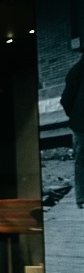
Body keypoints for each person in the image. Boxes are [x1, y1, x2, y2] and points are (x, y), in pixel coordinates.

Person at [59, 52, 84, 209]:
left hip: (80, 124)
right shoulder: (76, 71)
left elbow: (65, 99)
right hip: (80, 122)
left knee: (80, 161)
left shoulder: (75, 70)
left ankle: (81, 198)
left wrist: (74, 114)